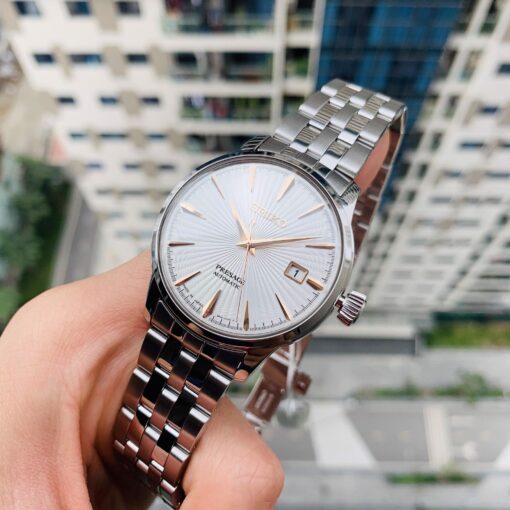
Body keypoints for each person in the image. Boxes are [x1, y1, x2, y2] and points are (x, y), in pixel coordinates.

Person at [0, 135, 388, 509]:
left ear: (340, 303)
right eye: (248, 236)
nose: (249, 243)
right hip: (176, 308)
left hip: (234, 337)